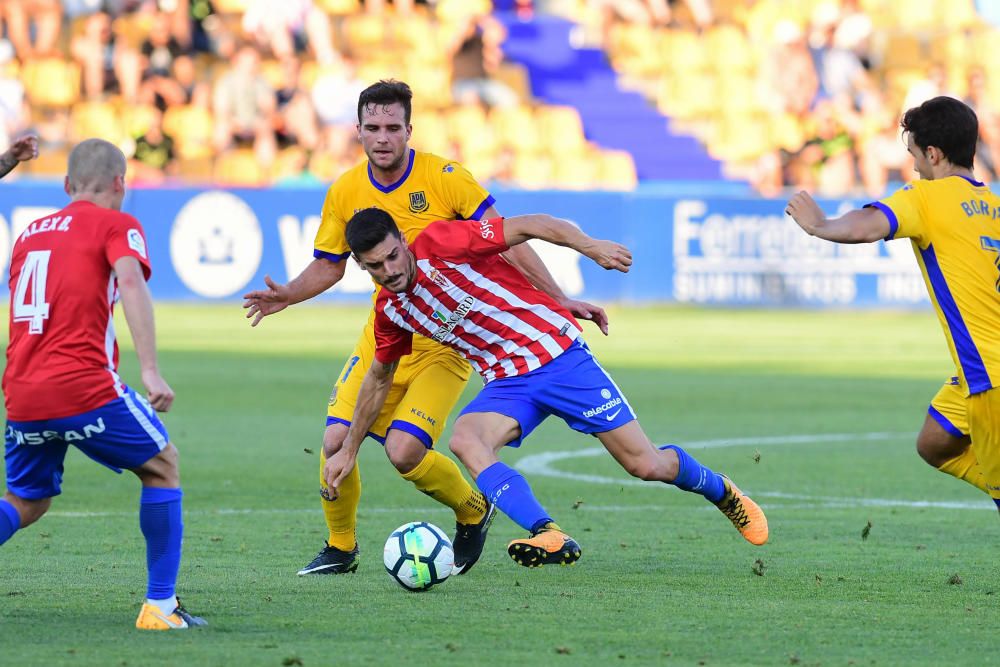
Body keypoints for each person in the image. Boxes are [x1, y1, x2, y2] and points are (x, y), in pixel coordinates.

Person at [242, 80, 607, 575]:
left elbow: (508, 240)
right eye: (373, 128)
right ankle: (341, 547)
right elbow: (329, 265)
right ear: (358, 131)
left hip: (444, 339)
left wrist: (557, 299)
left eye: (393, 127)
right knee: (334, 441)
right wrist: (288, 293)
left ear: (410, 130)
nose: (383, 137)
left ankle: (472, 510)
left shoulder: (446, 177)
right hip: (388, 334)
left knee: (404, 450)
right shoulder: (345, 191)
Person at [326, 209, 769, 567]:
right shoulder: (391, 311)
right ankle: (548, 531)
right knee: (466, 438)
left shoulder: (441, 243)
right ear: (362, 267)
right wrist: (348, 449)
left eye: (391, 257)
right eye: (374, 267)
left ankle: (722, 490)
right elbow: (379, 378)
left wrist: (590, 247)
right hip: (507, 380)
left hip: (559, 356)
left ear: (403, 242)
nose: (388, 270)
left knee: (646, 464)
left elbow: (532, 225)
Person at [0, 138, 205, 630]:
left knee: (27, 500)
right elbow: (131, 283)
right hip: (82, 384)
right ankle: (160, 606)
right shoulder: (118, 223)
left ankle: (162, 605)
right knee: (162, 465)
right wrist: (151, 370)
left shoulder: (30, 232)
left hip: (22, 390)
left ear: (67, 186)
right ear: (121, 184)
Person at [785, 96, 1000, 510]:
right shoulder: (992, 205)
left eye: (914, 154)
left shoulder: (925, 198)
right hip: (979, 370)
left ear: (933, 154)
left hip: (989, 377)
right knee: (934, 443)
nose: (914, 164)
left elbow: (868, 227)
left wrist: (820, 225)